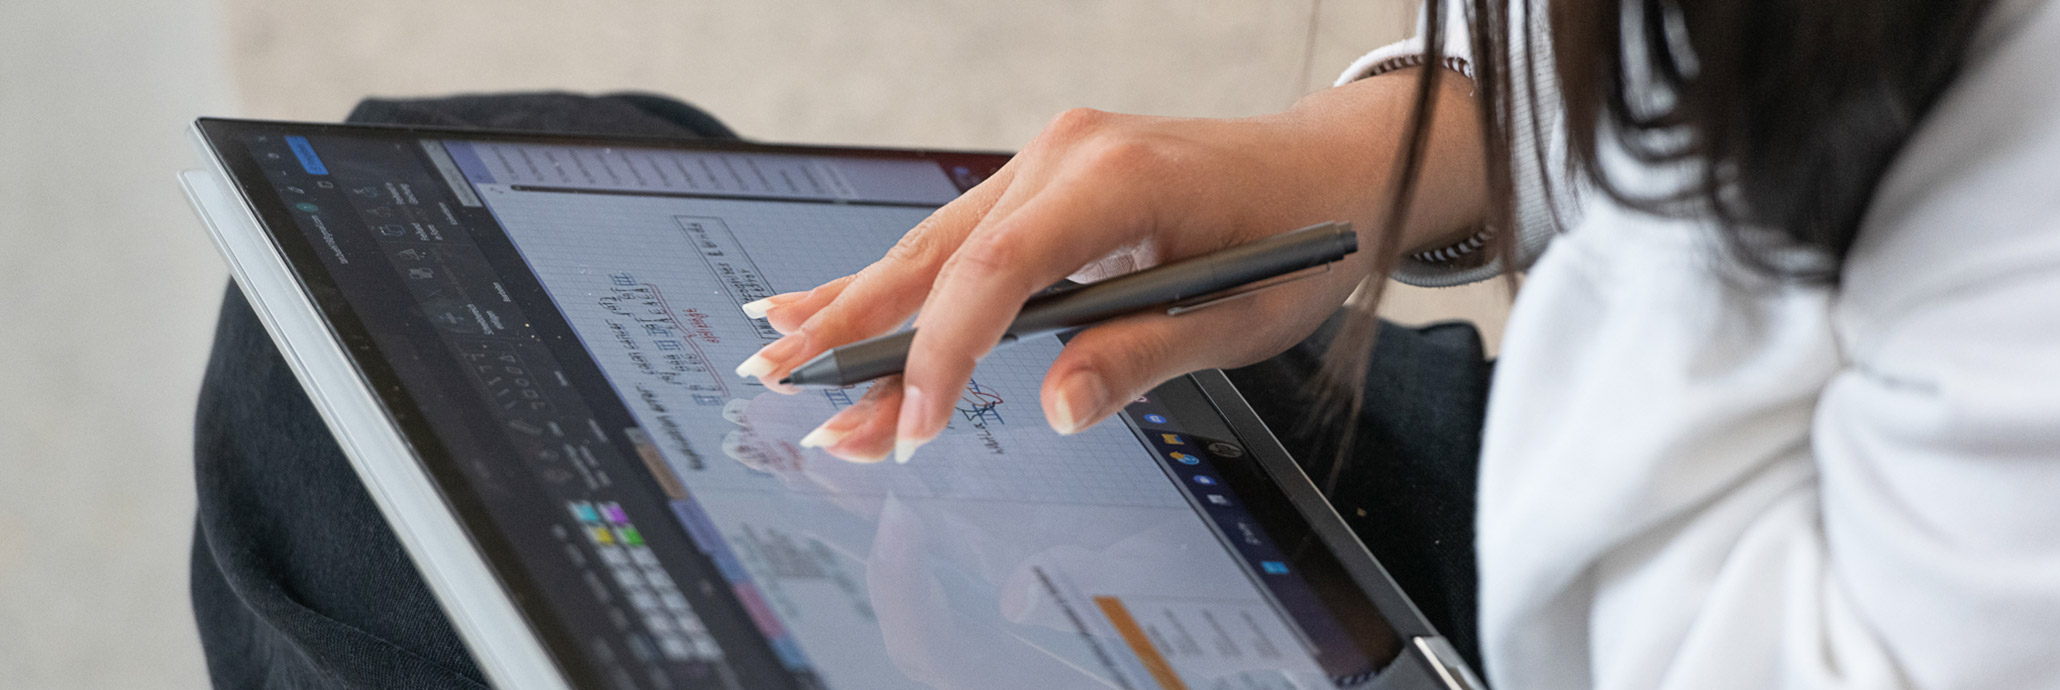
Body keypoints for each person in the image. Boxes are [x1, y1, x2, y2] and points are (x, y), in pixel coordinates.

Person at [191, 1, 2060, 688]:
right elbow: (1780, 67)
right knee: (361, 337)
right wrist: (1381, 156)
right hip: (1672, 499)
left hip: (1737, 608)